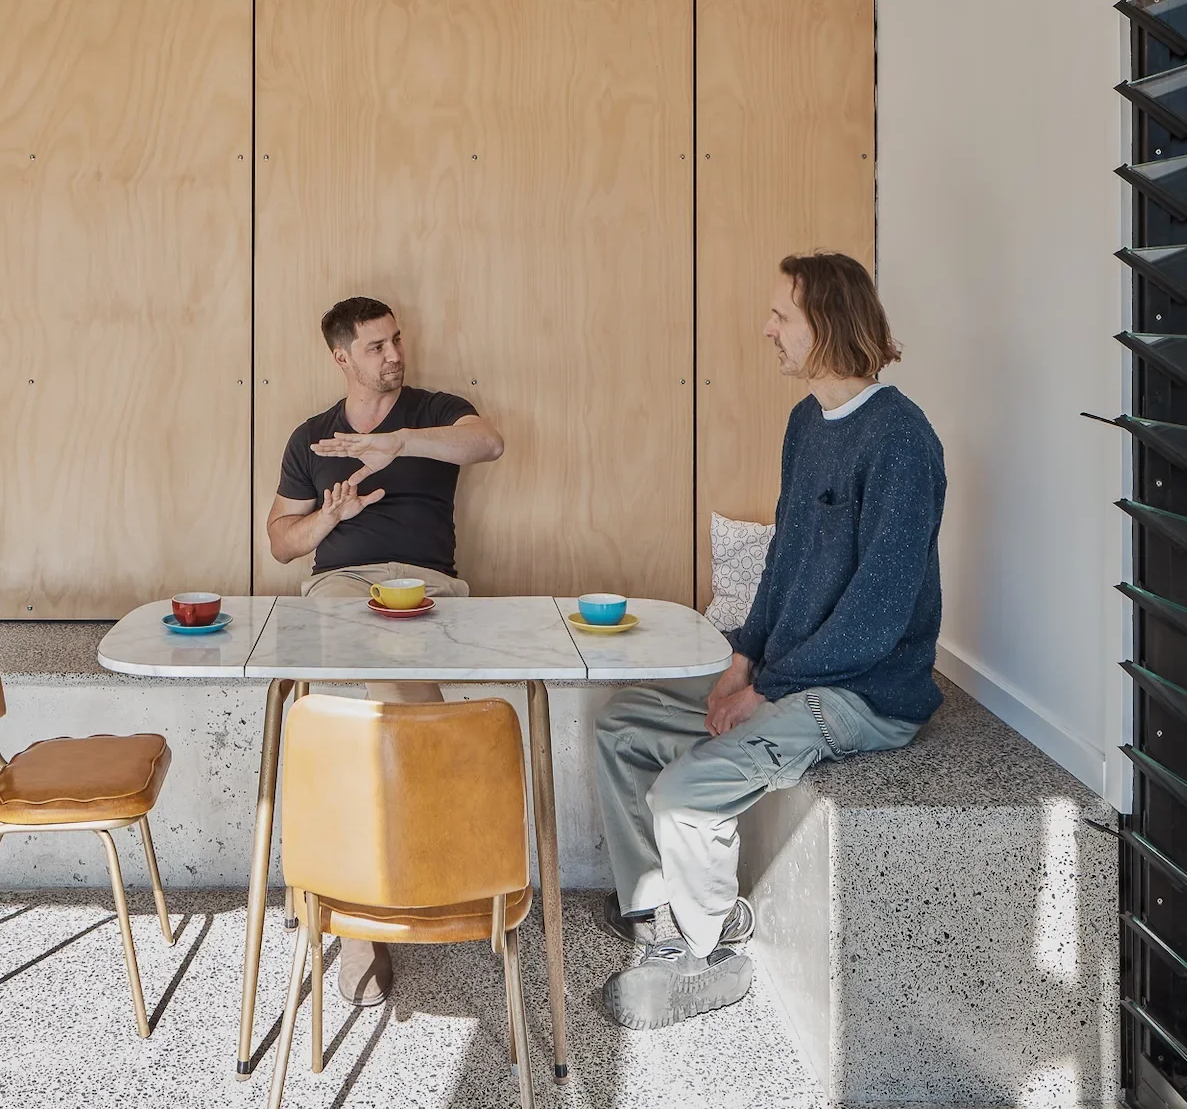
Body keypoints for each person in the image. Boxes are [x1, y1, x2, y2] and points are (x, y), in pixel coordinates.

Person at [593, 251, 945, 1030]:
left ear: (828, 321)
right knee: (620, 727)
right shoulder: (806, 423)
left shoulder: (901, 440)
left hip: (863, 693)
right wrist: (744, 657)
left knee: (684, 795)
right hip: (787, 671)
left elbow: (877, 616)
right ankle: (665, 916)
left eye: (781, 314)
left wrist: (766, 690)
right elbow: (785, 559)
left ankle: (712, 958)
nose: (767, 329)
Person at [266, 294, 506, 1005]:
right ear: (342, 358)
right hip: (338, 589)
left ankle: (362, 902)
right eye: (376, 347)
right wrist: (329, 517)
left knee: (372, 704)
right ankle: (425, 879)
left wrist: (399, 444)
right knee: (388, 688)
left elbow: (487, 443)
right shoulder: (311, 437)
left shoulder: (436, 409)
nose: (394, 355)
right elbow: (281, 541)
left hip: (429, 588)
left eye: (395, 340)